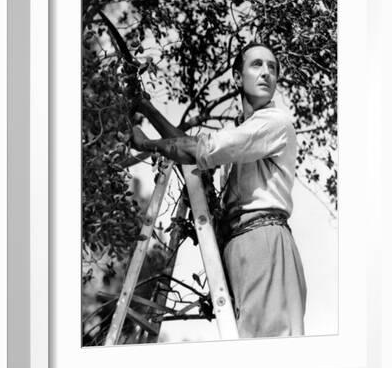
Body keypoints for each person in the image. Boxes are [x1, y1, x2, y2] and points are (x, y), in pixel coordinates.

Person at [132, 42, 307, 338]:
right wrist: (146, 108)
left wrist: (145, 144)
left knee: (268, 350)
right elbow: (192, 147)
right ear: (238, 78)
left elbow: (200, 149)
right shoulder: (244, 132)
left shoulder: (274, 122)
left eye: (272, 67)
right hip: (240, 245)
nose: (266, 72)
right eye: (257, 65)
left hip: (264, 240)